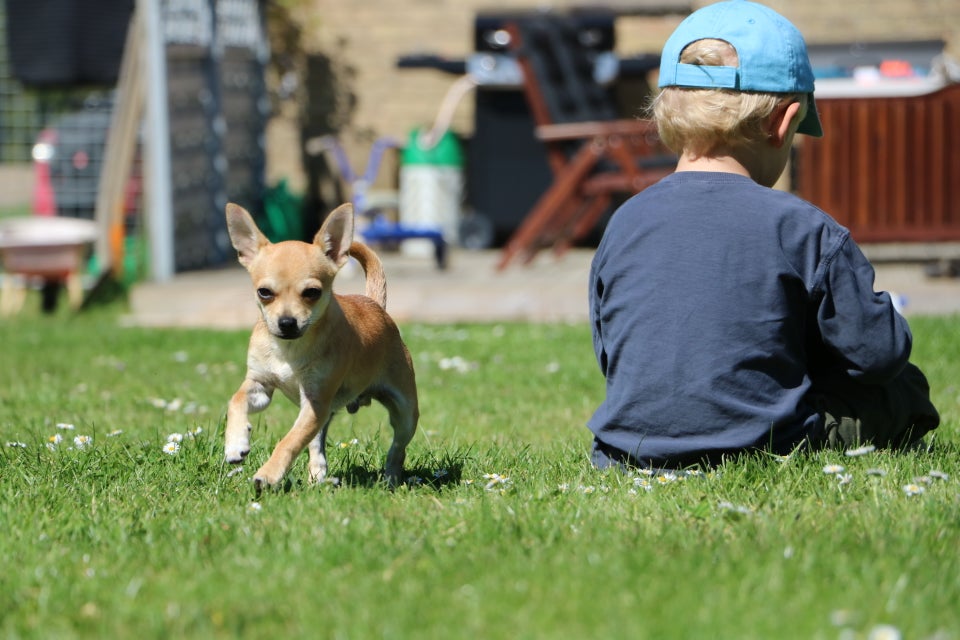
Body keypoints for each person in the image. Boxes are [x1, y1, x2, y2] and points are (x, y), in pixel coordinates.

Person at [587, 0, 940, 470]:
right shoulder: (802, 226)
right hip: (763, 445)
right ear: (783, 121)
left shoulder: (624, 222)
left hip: (627, 451)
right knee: (903, 386)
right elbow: (879, 355)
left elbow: (610, 352)